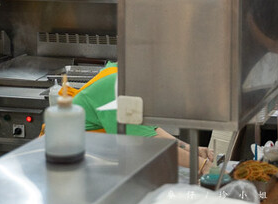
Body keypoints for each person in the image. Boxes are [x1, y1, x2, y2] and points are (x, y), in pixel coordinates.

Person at [69, 62, 215, 176]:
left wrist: (190, 149)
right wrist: (202, 165)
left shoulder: (125, 76)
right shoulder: (117, 86)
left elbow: (149, 130)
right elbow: (148, 143)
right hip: (73, 165)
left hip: (94, 161)